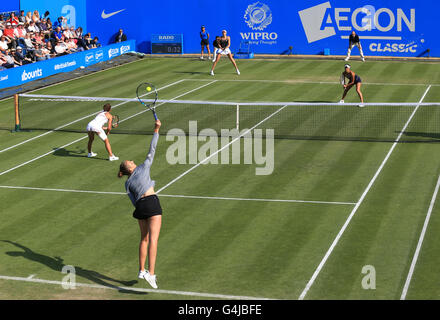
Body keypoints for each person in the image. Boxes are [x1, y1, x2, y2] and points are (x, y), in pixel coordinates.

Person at [118, 119, 162, 289]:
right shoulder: (143, 168)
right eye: (128, 162)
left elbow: (133, 201)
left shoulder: (127, 184)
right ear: (129, 168)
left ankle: (141, 270)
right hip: (151, 204)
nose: (130, 160)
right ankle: (151, 274)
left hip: (140, 208)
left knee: (143, 239)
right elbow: (152, 149)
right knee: (154, 240)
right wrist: (156, 129)